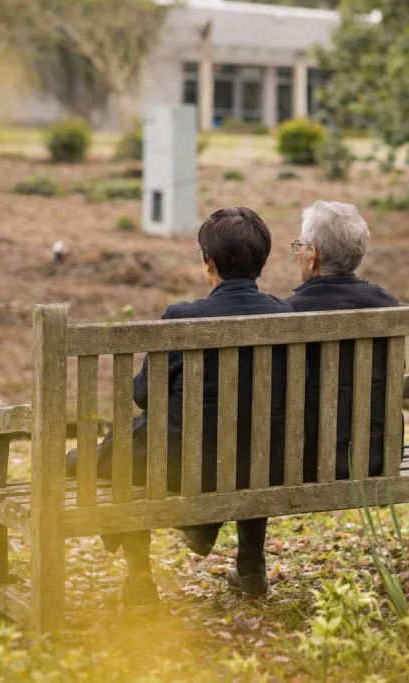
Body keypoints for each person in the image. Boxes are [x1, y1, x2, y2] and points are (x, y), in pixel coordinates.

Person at [66, 207, 291, 605]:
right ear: (261, 262)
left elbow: (142, 394)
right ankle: (251, 566)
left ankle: (139, 579)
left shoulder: (183, 317)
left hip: (178, 465)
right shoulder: (284, 315)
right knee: (247, 437)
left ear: (211, 263)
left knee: (119, 453)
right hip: (259, 462)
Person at [286, 201, 400, 480]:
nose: (298, 252)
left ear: (312, 255)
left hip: (306, 465)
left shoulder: (289, 313)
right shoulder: (389, 307)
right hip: (377, 460)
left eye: (299, 245)